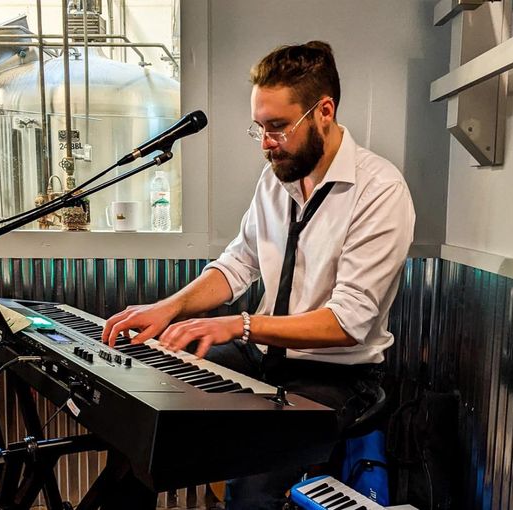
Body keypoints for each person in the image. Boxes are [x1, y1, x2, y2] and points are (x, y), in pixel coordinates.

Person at [102, 40, 415, 509]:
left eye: (278, 127)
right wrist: (168, 308)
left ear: (323, 111)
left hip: (337, 376)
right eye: (259, 128)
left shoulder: (380, 189)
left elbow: (348, 323)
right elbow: (237, 264)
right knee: (145, 409)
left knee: (253, 478)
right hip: (263, 357)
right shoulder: (276, 178)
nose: (266, 142)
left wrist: (240, 325)